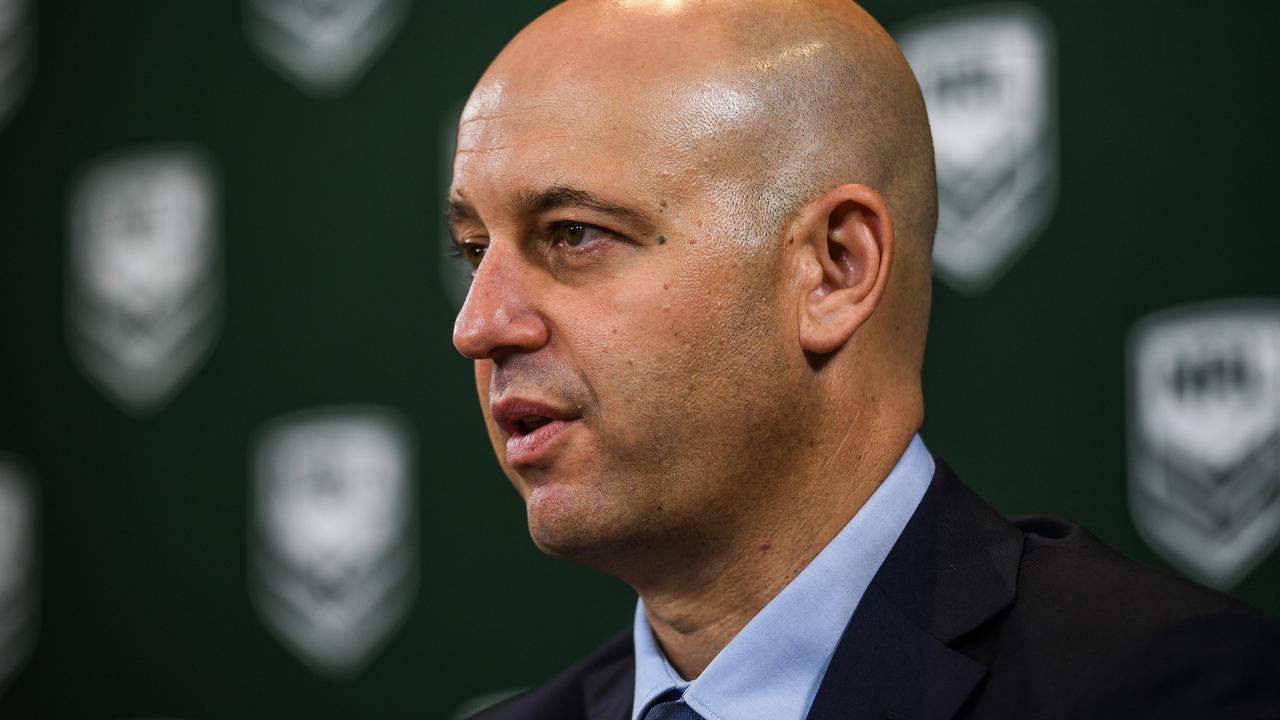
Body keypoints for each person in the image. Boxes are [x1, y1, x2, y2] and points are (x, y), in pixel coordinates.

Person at [446, 1, 1280, 718]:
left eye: (573, 234)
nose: (478, 326)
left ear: (835, 269)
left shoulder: (1164, 688)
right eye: (472, 251)